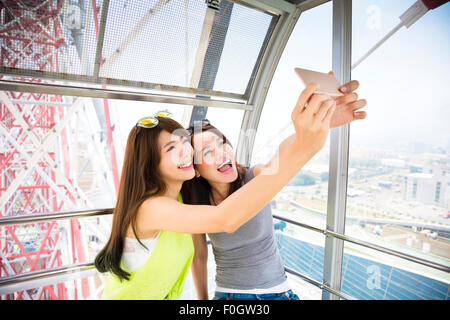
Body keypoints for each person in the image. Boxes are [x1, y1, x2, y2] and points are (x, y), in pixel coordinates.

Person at [94, 83, 337, 299]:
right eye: (171, 148)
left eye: (184, 144)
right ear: (149, 164)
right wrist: (308, 147)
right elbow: (225, 219)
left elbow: (274, 164)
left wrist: (316, 125)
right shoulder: (151, 209)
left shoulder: (183, 200)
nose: (186, 152)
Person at [181, 76, 367, 300]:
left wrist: (315, 126)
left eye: (222, 143)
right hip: (231, 297)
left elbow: (280, 158)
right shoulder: (197, 202)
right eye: (208, 152)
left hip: (279, 293)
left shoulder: (253, 177)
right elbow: (199, 255)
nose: (221, 152)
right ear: (196, 170)